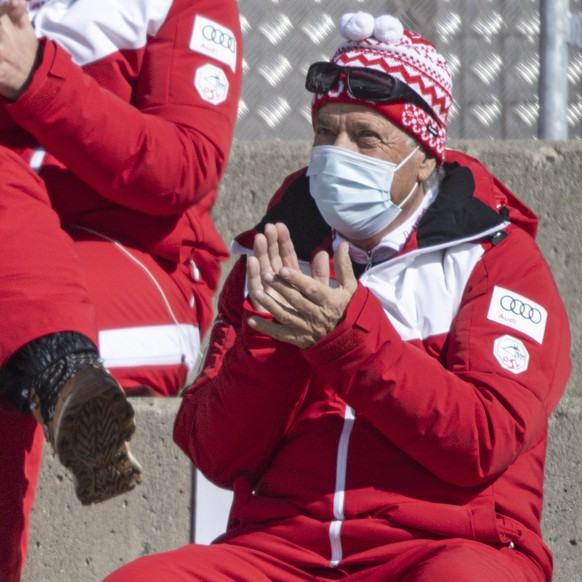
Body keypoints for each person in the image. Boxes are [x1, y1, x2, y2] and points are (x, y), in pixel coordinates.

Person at [105, 11, 571, 582]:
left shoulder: (498, 259)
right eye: (326, 132)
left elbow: (482, 440)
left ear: (424, 157)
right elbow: (214, 453)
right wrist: (270, 340)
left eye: (366, 136)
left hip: (443, 546)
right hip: (281, 549)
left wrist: (345, 341)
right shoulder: (274, 252)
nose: (336, 152)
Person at [0, 0, 241, 579]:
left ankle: (57, 368)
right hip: (15, 263)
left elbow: (187, 163)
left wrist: (36, 76)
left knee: (10, 338)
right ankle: (58, 366)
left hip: (138, 269)